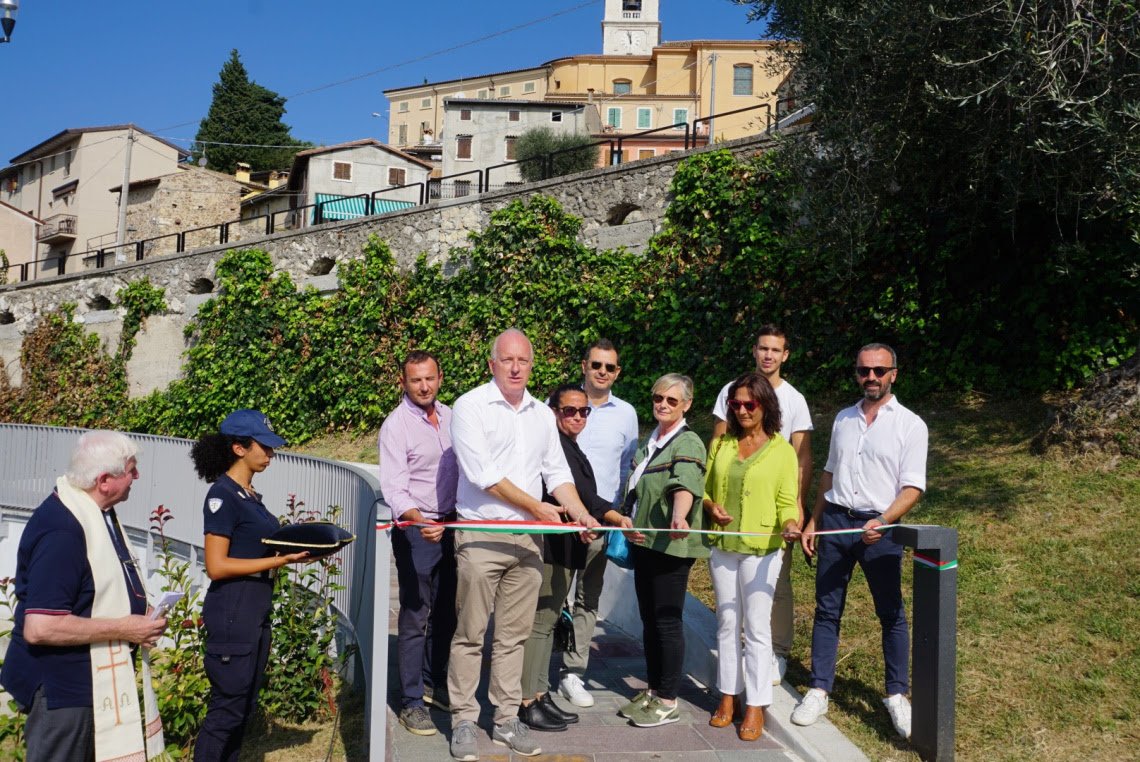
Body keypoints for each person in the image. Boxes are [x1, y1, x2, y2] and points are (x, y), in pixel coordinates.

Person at [447, 328, 599, 761]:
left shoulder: (539, 415)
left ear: (532, 366)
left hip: (530, 540)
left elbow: (558, 475)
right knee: (470, 634)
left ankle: (506, 720)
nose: (516, 368)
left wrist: (579, 513)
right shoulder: (471, 406)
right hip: (481, 535)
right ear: (492, 364)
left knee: (513, 637)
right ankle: (462, 719)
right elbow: (483, 475)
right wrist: (539, 508)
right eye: (507, 360)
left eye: (524, 361)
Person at [1, 431, 168, 762]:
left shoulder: (96, 512)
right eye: (131, 469)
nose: (138, 476)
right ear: (104, 480)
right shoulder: (62, 530)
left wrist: (141, 611)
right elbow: (41, 627)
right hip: (62, 690)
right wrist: (125, 628)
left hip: (86, 682)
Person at [791, 343, 928, 740]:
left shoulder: (910, 424)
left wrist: (884, 520)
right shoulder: (843, 419)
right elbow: (829, 475)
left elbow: (913, 486)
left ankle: (896, 695)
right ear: (856, 374)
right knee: (827, 609)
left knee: (891, 613)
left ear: (893, 374)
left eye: (879, 371)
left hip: (879, 531)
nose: (871, 377)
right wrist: (814, 521)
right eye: (864, 371)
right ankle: (819, 689)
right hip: (835, 523)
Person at [191, 409, 310, 762]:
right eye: (265, 446)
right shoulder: (222, 496)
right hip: (234, 610)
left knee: (243, 708)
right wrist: (280, 561)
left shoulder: (248, 495)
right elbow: (217, 565)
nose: (271, 453)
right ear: (239, 448)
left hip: (254, 608)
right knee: (226, 712)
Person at [711, 324, 812, 683]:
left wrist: (796, 508)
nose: (768, 355)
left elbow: (801, 457)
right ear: (755, 351)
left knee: (776, 585)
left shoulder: (795, 400)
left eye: (775, 350)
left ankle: (778, 651)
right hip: (732, 514)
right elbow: (719, 448)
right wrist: (712, 503)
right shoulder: (730, 389)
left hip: (774, 510)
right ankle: (740, 656)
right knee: (733, 600)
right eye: (762, 348)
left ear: (785, 356)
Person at [703, 373, 801, 741]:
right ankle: (727, 697)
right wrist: (711, 507)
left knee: (757, 629)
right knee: (727, 624)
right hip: (723, 546)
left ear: (765, 406)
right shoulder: (722, 444)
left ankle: (757, 704)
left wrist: (791, 523)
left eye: (750, 404)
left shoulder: (782, 451)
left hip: (762, 550)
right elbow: (704, 490)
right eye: (736, 404)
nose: (742, 410)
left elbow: (786, 502)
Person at [613, 373, 708, 728]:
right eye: (658, 398)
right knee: (650, 620)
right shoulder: (650, 441)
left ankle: (668, 699)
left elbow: (685, 483)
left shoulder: (689, 442)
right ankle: (654, 690)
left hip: (670, 545)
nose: (662, 405)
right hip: (644, 543)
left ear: (686, 404)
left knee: (667, 622)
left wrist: (680, 517)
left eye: (671, 400)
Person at [519, 384, 615, 732]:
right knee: (540, 624)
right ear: (553, 412)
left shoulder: (570, 447)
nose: (577, 416)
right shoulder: (555, 446)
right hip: (552, 549)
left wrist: (614, 517)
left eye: (583, 411)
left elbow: (587, 499)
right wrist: (607, 515)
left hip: (567, 548)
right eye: (568, 411)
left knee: (546, 626)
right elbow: (578, 497)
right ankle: (528, 700)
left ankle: (540, 694)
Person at [379, 350, 460, 737]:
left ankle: (434, 683)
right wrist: (419, 519)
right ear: (403, 382)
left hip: (452, 526)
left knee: (447, 611)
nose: (424, 386)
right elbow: (394, 487)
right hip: (416, 528)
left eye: (429, 378)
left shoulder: (453, 417)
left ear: (439, 377)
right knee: (415, 614)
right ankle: (411, 702)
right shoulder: (396, 426)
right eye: (416, 380)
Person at [557, 339, 640, 709]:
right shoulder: (563, 406)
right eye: (596, 365)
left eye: (610, 367)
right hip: (559, 519)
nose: (603, 372)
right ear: (584, 366)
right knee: (550, 597)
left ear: (617, 372)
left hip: (601, 521)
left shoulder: (627, 414)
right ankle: (540, 669)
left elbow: (626, 468)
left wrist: (617, 512)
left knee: (588, 598)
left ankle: (573, 672)